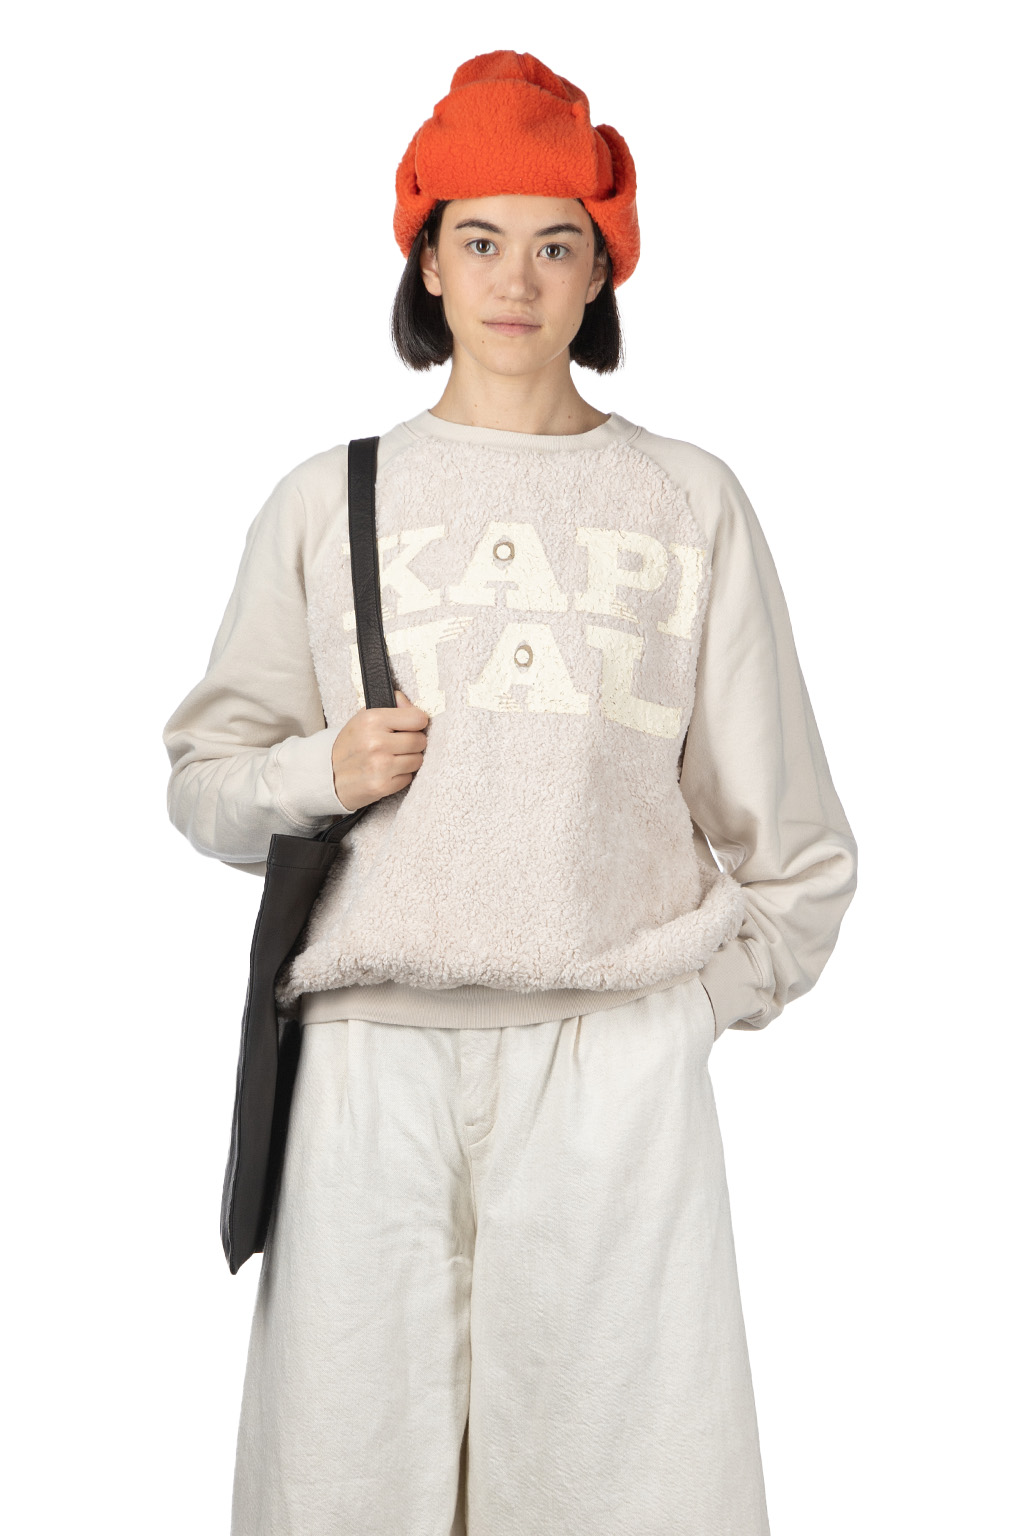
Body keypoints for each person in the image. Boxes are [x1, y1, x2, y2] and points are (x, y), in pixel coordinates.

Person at [162, 48, 857, 1536]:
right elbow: (206, 786)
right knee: (346, 1493)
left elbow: (796, 849)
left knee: (629, 1497)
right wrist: (316, 769)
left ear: (602, 273)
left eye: (556, 245)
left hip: (610, 1071)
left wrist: (683, 1013)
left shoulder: (688, 501)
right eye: (479, 240)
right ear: (427, 259)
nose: (516, 281)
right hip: (369, 1066)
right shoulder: (328, 496)